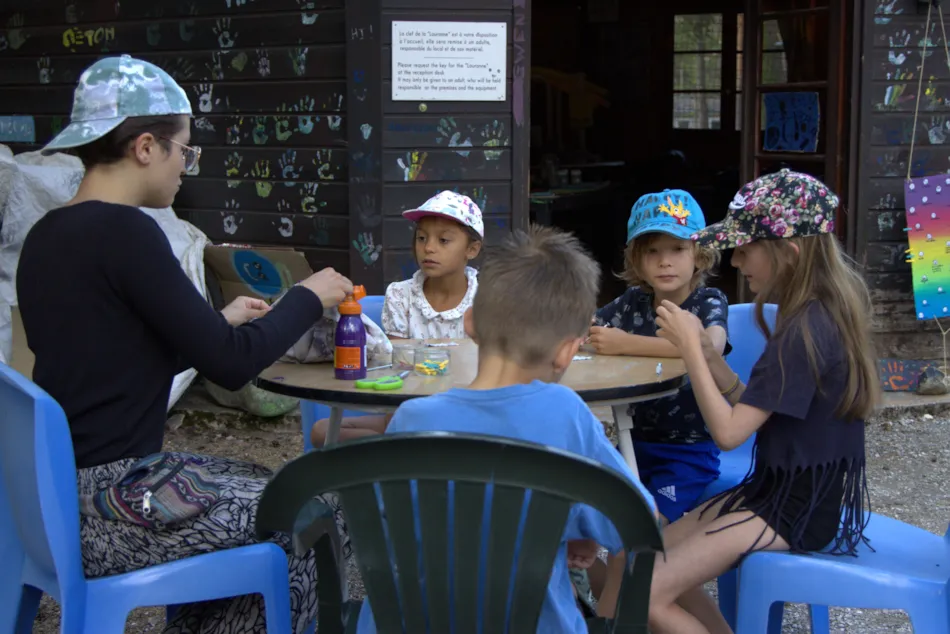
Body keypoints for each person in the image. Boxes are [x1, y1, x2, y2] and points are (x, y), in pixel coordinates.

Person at [15, 55, 354, 634]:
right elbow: (231, 365)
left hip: (57, 499)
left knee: (267, 481)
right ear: (146, 147)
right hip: (115, 505)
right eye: (185, 151)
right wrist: (306, 297)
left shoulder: (49, 233)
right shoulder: (127, 232)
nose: (185, 168)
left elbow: (109, 357)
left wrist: (213, 321)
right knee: (315, 511)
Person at [597, 169, 879, 633]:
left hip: (794, 510)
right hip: (775, 491)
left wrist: (691, 350)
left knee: (642, 590)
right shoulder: (813, 314)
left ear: (787, 252)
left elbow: (729, 435)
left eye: (745, 249)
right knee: (642, 557)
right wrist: (714, 361)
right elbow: (757, 410)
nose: (735, 261)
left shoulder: (804, 332)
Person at [355, 225, 656, 634]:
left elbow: (393, 521)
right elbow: (641, 521)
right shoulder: (566, 415)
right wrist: (575, 525)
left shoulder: (412, 419)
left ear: (470, 323)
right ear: (568, 350)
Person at [589, 189, 730, 524]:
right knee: (588, 507)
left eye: (678, 249)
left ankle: (656, 559)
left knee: (647, 525)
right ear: (637, 260)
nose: (665, 261)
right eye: (652, 251)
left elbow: (711, 347)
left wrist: (626, 343)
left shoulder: (708, 300)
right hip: (633, 441)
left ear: (699, 255)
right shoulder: (632, 301)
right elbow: (588, 325)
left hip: (688, 451)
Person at [309, 190, 483, 446]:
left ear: (472, 249)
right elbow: (399, 366)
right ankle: (404, 447)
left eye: (443, 240)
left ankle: (398, 450)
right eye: (421, 238)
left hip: (463, 416)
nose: (428, 248)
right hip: (405, 410)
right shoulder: (401, 296)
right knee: (321, 432)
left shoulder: (486, 299)